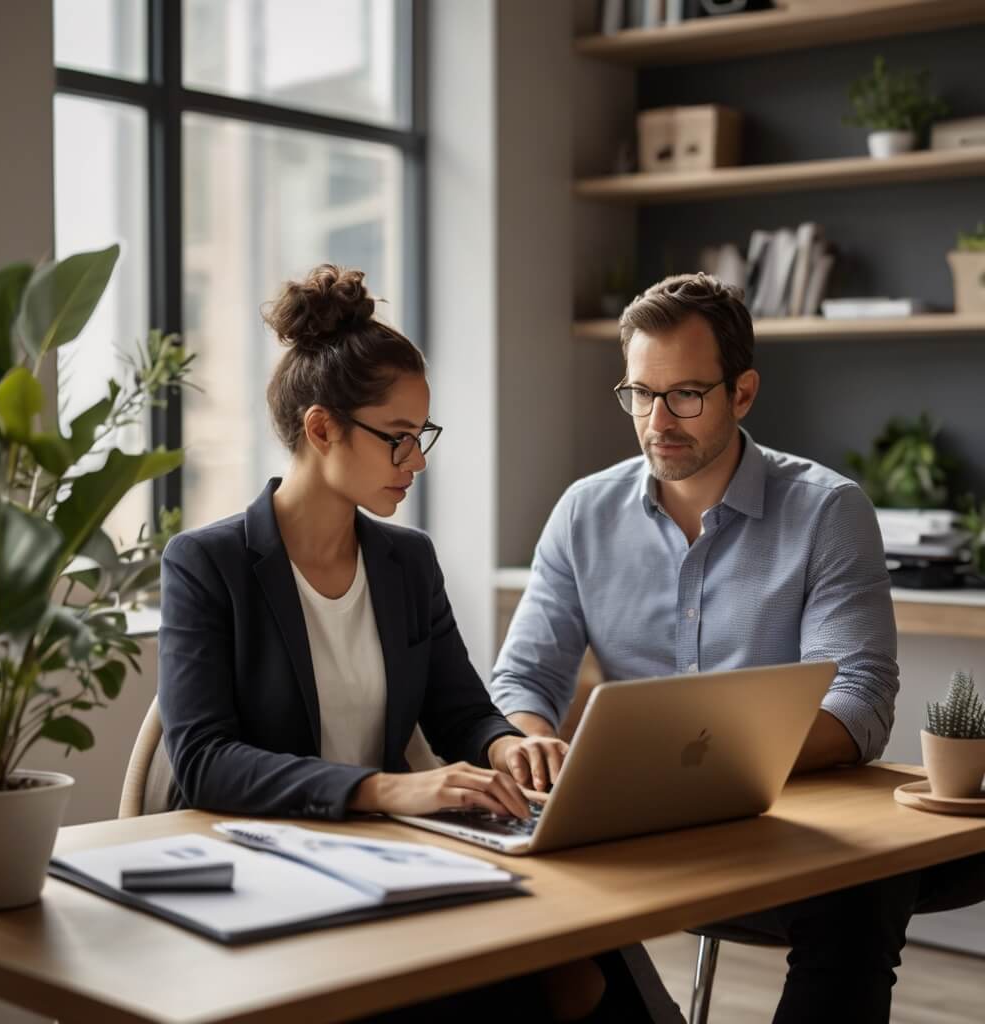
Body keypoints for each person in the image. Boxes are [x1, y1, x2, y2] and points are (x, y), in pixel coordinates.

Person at [158, 264, 648, 1021]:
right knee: (537, 977)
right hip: (266, 867)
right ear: (321, 429)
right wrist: (385, 788)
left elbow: (461, 709)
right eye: (398, 439)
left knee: (588, 948)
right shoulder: (207, 564)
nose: (417, 461)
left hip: (388, 852)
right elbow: (204, 762)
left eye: (422, 437)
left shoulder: (405, 560)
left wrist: (503, 747)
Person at [490, 272, 923, 1024]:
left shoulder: (828, 511)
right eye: (640, 394)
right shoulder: (582, 513)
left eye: (686, 394)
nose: (659, 420)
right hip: (631, 821)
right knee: (516, 906)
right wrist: (529, 745)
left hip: (790, 821)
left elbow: (858, 705)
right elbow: (524, 678)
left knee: (861, 900)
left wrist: (721, 767)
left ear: (742, 393)